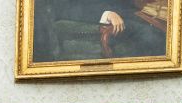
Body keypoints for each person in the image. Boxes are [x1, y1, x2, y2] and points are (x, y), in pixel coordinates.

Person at [34, 0, 166, 61]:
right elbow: (64, 7)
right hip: (100, 23)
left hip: (129, 15)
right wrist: (106, 13)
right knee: (154, 38)